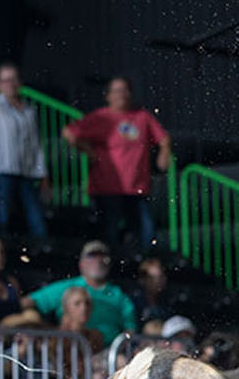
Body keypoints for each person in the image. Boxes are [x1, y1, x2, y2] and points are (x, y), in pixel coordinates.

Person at [62, 77, 172, 254]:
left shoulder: (142, 117)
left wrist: (164, 153)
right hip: (107, 187)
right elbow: (69, 132)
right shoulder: (101, 117)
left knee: (145, 232)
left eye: (125, 90)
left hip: (137, 187)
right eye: (117, 90)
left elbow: (163, 138)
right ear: (108, 96)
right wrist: (88, 150)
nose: (121, 94)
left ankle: (144, 264)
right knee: (110, 233)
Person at [0, 62, 47, 239]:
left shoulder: (29, 110)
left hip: (26, 172)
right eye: (5, 80)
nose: (10, 84)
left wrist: (43, 175)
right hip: (1, 171)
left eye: (13, 79)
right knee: (2, 218)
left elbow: (35, 145)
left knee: (36, 220)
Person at [27, 241, 137, 347]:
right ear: (81, 264)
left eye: (103, 257)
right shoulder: (66, 288)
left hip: (108, 352)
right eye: (92, 256)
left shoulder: (119, 296)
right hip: (67, 347)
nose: (98, 261)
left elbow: (130, 329)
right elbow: (28, 302)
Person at [133, 255, 173, 324]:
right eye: (153, 278)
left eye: (161, 276)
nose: (158, 281)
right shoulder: (133, 302)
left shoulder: (168, 301)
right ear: (142, 280)